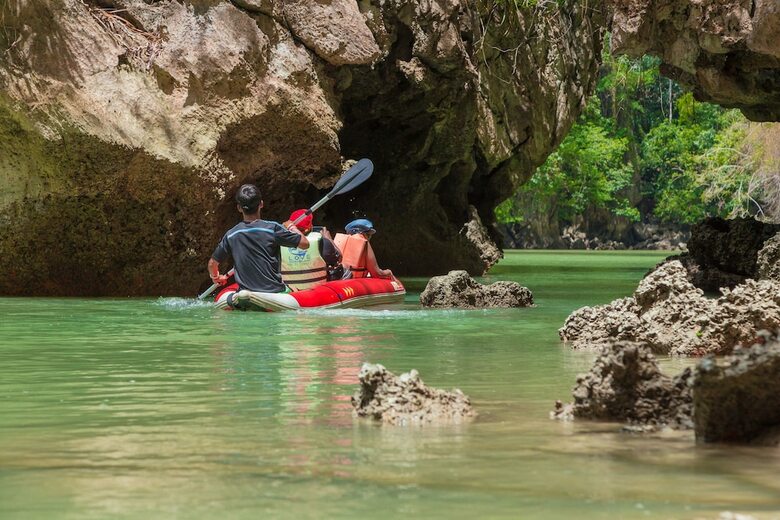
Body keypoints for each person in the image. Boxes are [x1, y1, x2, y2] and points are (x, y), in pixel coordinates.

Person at [208, 184, 309, 299]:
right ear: (261, 204)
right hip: (274, 293)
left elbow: (212, 263)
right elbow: (305, 244)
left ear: (239, 208)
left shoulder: (231, 234)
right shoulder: (273, 229)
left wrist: (216, 277)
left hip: (245, 293)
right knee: (294, 289)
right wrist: (291, 226)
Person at [280, 209, 342, 291]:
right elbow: (338, 259)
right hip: (318, 290)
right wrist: (329, 239)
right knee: (344, 270)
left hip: (291, 291)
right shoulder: (322, 241)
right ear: (310, 226)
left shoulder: (279, 243)